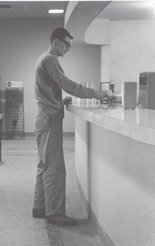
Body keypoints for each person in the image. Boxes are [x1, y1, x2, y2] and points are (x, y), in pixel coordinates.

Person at [32, 27, 107, 226]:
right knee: (55, 168)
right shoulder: (50, 59)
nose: (69, 47)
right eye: (66, 43)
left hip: (44, 117)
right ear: (56, 42)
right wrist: (96, 93)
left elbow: (52, 89)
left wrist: (59, 100)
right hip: (50, 120)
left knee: (44, 165)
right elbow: (69, 85)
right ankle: (55, 212)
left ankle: (40, 207)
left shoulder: (43, 59)